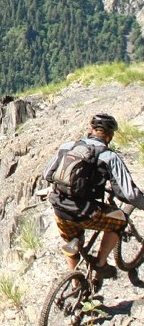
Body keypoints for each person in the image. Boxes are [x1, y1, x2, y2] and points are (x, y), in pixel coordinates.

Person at [43, 113, 144, 281]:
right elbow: (129, 194)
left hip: (59, 208)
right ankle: (100, 265)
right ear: (110, 136)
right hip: (85, 213)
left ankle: (75, 282)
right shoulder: (108, 156)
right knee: (120, 221)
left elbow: (47, 173)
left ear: (91, 130)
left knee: (72, 239)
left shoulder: (67, 146)